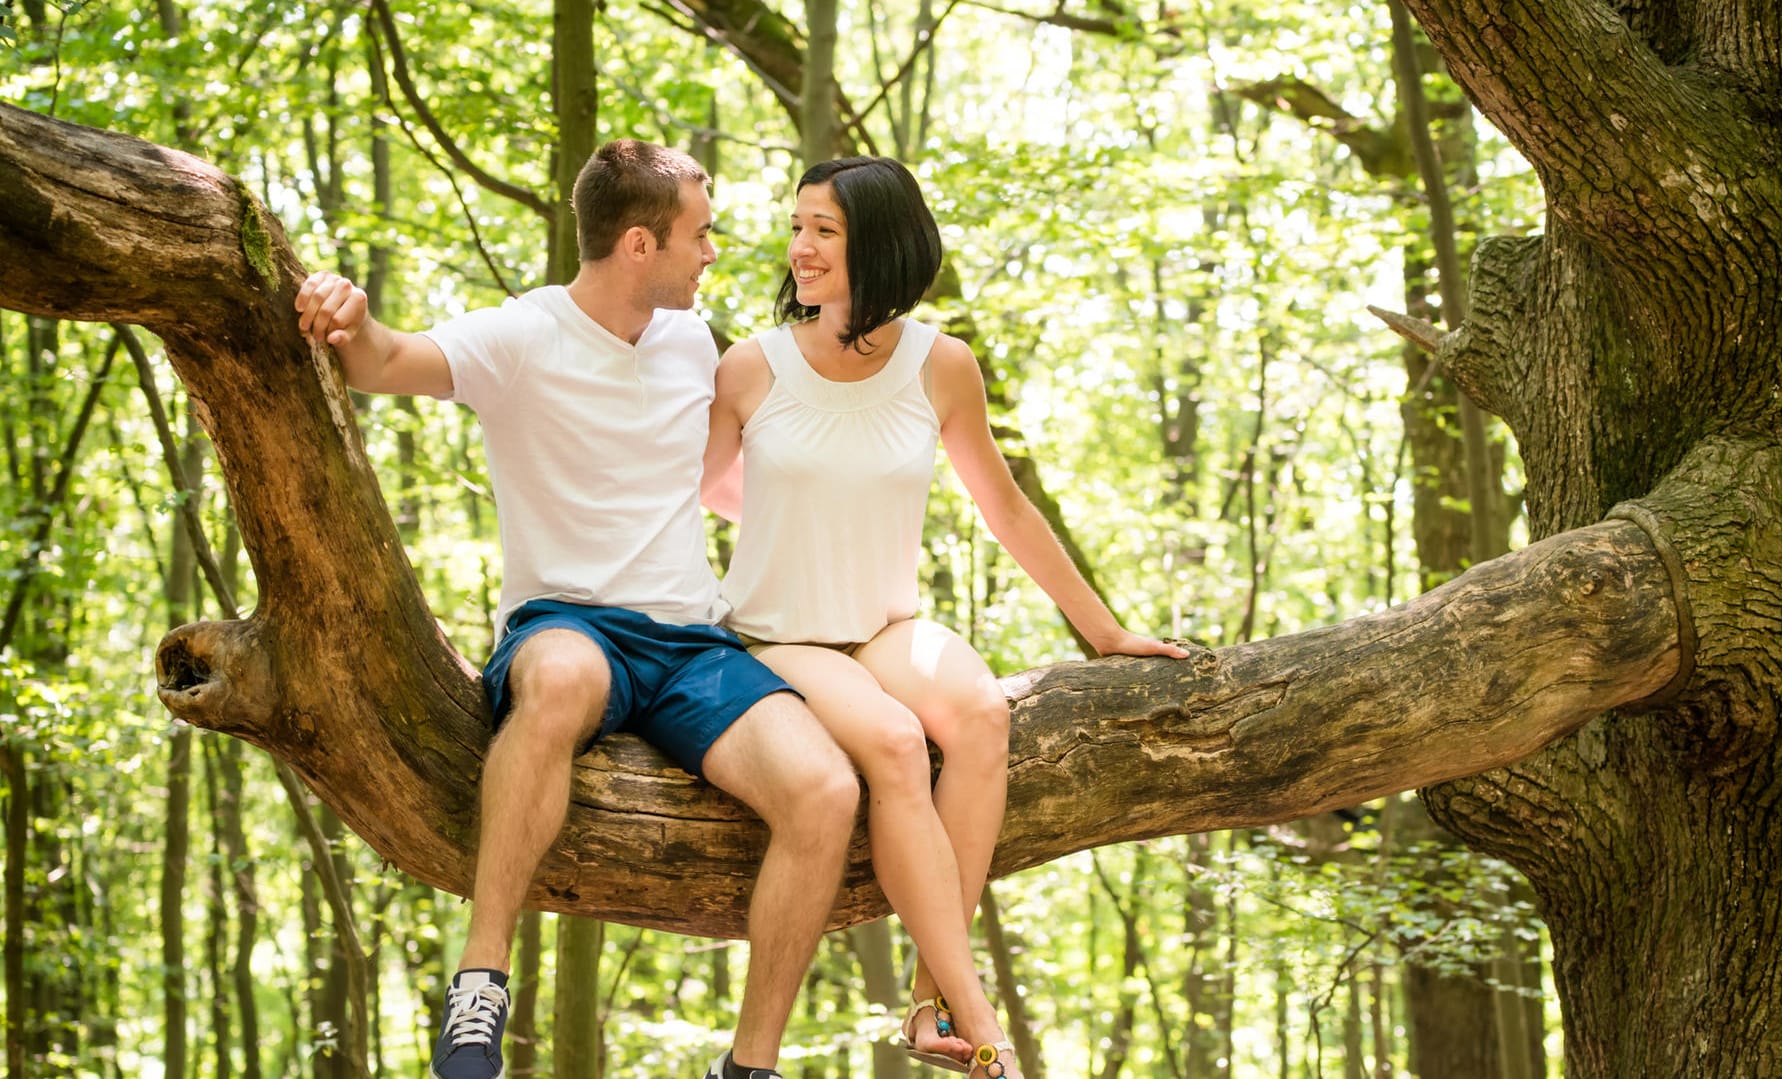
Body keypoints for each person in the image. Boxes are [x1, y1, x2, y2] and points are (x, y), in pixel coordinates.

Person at [295, 139, 857, 1079]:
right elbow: (384, 360)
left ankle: (749, 1064)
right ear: (640, 244)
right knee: (558, 682)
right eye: (700, 235)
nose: (713, 252)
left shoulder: (693, 339)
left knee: (827, 788)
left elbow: (737, 480)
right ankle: (480, 981)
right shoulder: (523, 336)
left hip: (690, 642)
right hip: (570, 623)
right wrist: (344, 306)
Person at [703, 157, 1189, 1079]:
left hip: (887, 626)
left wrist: (1106, 631)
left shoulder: (941, 365)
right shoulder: (749, 367)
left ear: (879, 245)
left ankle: (932, 1005)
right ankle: (984, 1028)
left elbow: (1007, 509)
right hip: (781, 634)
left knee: (982, 715)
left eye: (825, 231)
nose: (800, 248)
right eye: (798, 225)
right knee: (891, 742)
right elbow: (692, 491)